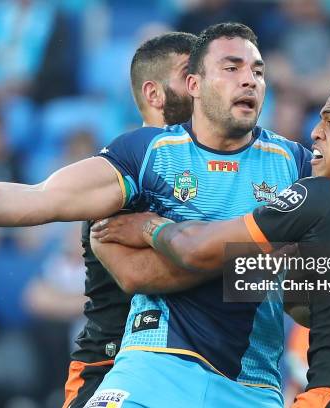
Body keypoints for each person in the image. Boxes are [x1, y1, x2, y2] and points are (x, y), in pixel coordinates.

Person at [0, 22, 311, 407]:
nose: (250, 80)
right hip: (142, 367)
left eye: (258, 71)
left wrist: (179, 240)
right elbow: (41, 199)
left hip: (251, 383)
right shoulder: (145, 155)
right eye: (232, 67)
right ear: (192, 84)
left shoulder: (295, 163)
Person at [94, 76, 330, 408]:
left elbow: (194, 248)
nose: (316, 133)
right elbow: (324, 305)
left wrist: (148, 227)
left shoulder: (327, 193)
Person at [63, 32, 197, 408]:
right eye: (189, 75)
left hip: (210, 366)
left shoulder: (235, 167)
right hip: (112, 360)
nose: (201, 85)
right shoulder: (126, 167)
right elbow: (136, 275)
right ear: (154, 94)